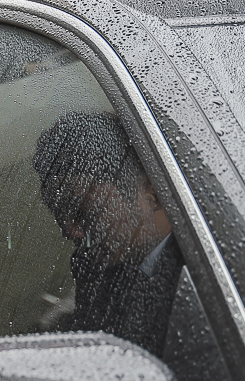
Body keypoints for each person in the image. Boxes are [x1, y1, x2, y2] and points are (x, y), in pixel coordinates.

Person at [32, 111, 183, 353]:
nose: (71, 232)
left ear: (150, 195)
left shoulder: (206, 276)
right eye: (60, 216)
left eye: (84, 211)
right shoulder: (96, 271)